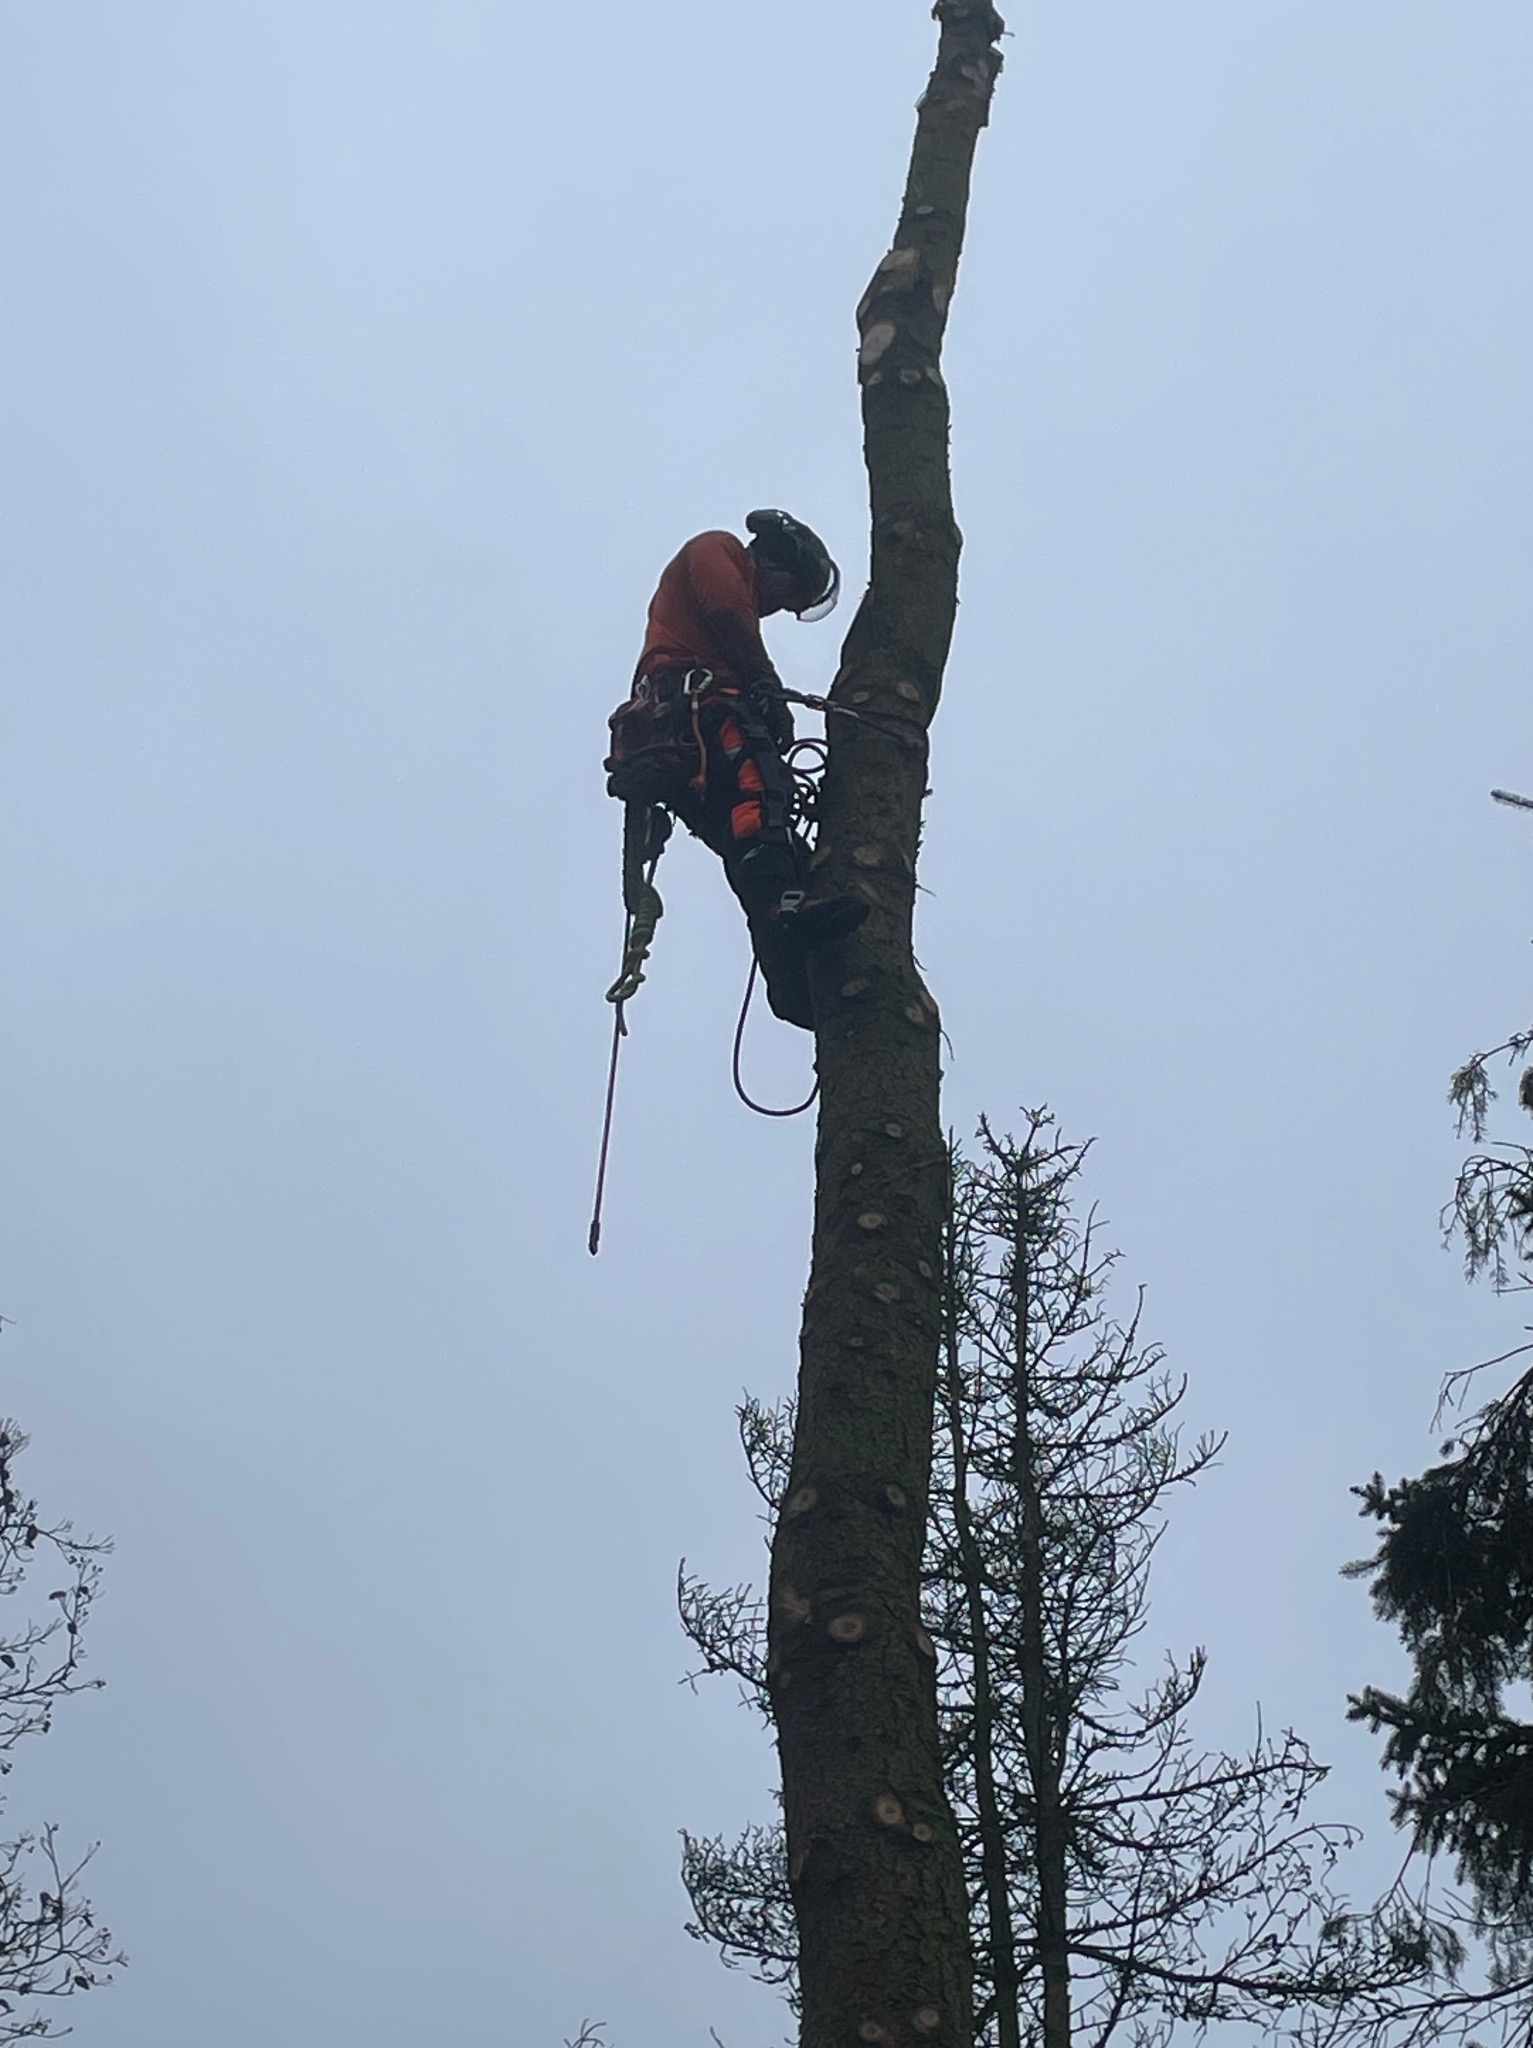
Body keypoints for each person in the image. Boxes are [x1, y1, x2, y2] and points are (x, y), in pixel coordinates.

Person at [612, 510, 867, 1030]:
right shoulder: (718, 548)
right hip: (702, 708)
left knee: (767, 845)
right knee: (760, 798)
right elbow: (728, 610)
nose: (771, 609)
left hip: (686, 737)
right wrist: (766, 687)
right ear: (777, 563)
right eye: (782, 597)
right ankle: (783, 914)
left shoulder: (728, 589)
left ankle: (786, 973)